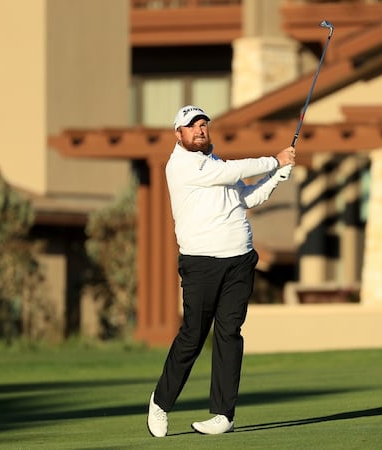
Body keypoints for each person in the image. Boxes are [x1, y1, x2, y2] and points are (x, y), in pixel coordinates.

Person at [147, 105, 295, 437]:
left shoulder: (214, 163)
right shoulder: (182, 166)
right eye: (191, 126)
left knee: (229, 334)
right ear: (178, 134)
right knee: (193, 335)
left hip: (239, 261)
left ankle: (223, 415)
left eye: (203, 124)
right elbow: (232, 173)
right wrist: (274, 159)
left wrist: (277, 175)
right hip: (201, 263)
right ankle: (160, 402)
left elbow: (247, 197)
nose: (200, 129)